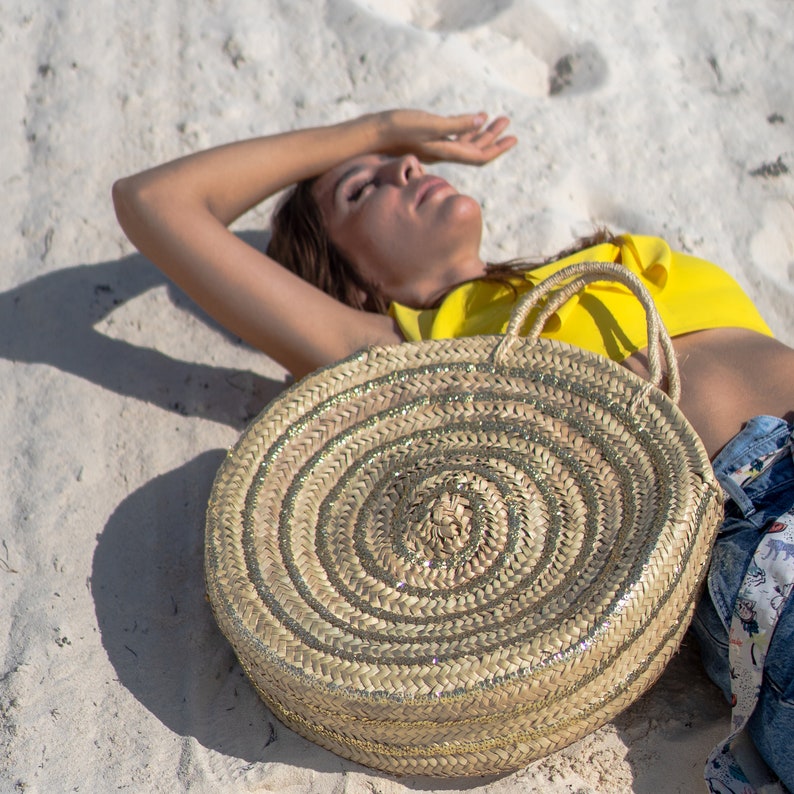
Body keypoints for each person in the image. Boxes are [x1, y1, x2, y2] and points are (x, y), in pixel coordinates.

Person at [113, 109, 793, 791]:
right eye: (362, 190)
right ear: (353, 284)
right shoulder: (417, 356)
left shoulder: (605, 262)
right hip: (759, 515)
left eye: (404, 163)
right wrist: (379, 131)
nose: (409, 167)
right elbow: (154, 202)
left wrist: (377, 164)